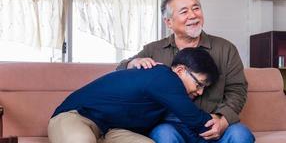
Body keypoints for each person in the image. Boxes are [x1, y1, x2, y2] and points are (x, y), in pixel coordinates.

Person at [116, 0, 255, 143]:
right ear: (168, 22)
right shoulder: (153, 50)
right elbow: (120, 72)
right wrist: (132, 63)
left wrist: (223, 120)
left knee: (240, 134)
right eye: (184, 11)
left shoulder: (225, 49)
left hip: (211, 124)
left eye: (196, 8)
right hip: (171, 126)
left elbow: (237, 90)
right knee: (164, 135)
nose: (193, 15)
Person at [48, 48, 219, 143]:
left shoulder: (165, 93)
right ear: (180, 70)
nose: (200, 92)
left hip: (109, 131)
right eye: (199, 84)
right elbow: (199, 122)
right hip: (76, 117)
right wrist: (217, 122)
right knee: (81, 141)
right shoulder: (165, 77)